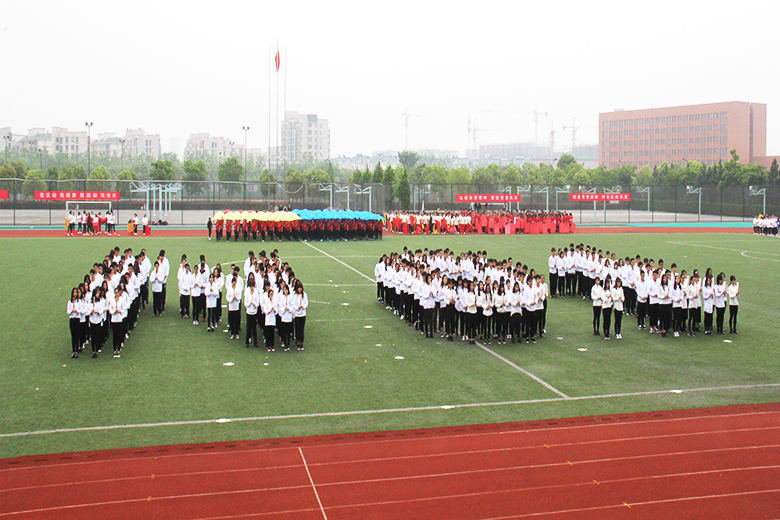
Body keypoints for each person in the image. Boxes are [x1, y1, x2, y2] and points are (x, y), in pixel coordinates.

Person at [291, 281, 308, 350]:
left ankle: (301, 342)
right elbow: (293, 304)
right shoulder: (295, 295)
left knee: (302, 329)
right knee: (297, 328)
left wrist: (303, 306)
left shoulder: (304, 295)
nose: (299, 289)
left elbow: (306, 303)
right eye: (298, 288)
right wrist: (298, 307)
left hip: (303, 314)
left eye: (300, 288)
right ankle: (298, 341)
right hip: (297, 315)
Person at [244, 278, 260, 348]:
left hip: (254, 313)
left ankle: (255, 342)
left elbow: (257, 303)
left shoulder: (256, 293)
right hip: (249, 312)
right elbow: (245, 303)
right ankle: (247, 342)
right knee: (248, 328)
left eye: (252, 287)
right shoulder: (247, 294)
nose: (252, 288)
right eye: (251, 287)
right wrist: (249, 304)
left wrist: (254, 304)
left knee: (254, 328)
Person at [67, 288, 83, 358]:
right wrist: (71, 311)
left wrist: (77, 311)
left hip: (77, 318)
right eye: (74, 292)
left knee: (77, 334)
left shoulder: (79, 302)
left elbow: (81, 310)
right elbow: (68, 311)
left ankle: (77, 349)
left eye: (76, 292)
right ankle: (73, 350)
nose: (75, 294)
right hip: (72, 319)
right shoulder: (70, 302)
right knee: (73, 335)